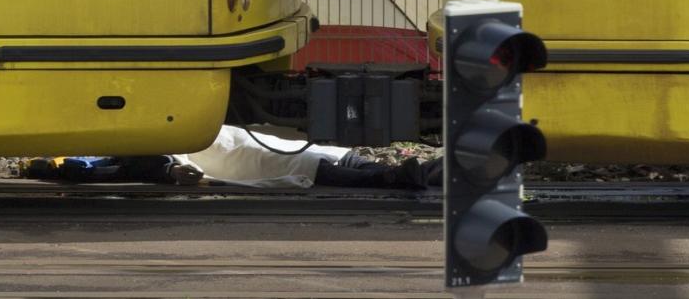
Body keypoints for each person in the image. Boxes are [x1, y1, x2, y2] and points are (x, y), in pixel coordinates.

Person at [23, 125, 443, 190]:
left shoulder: (116, 146)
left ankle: (427, 173)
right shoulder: (119, 151)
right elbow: (133, 167)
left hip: (245, 150)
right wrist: (173, 172)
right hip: (247, 158)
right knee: (324, 167)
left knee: (327, 163)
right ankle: (417, 175)